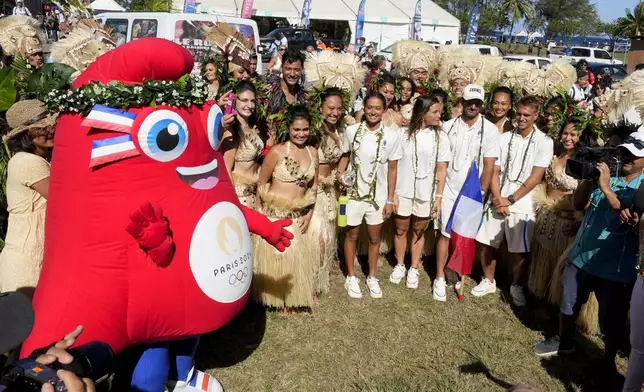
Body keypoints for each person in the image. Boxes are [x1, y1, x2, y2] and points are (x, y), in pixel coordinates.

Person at [534, 132, 644, 379]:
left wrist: (605, 188)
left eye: (634, 156)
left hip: (615, 269)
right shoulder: (609, 174)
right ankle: (564, 342)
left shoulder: (642, 188)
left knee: (611, 322)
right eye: (624, 152)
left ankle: (607, 360)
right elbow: (578, 205)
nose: (626, 158)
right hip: (581, 257)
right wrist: (587, 179)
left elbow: (631, 220)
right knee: (568, 304)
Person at [475, 96, 553, 306]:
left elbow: (536, 177)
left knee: (520, 249)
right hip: (498, 196)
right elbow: (495, 170)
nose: (521, 118)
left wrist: (510, 200)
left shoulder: (544, 141)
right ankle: (488, 280)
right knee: (485, 242)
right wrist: (498, 198)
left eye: (526, 115)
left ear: (536, 115)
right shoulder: (503, 138)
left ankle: (516, 285)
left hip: (523, 202)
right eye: (519, 113)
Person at [433, 84, 500, 301]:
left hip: (473, 192)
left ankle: (456, 270)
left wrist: (480, 192)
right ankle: (439, 277)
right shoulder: (448, 127)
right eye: (469, 102)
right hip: (450, 188)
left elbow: (489, 166)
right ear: (461, 101)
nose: (473, 106)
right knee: (445, 233)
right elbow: (442, 161)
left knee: (465, 235)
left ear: (482, 105)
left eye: (477, 103)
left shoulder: (490, 130)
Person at [253, 104, 319, 309]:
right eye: (296, 130)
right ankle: (275, 299)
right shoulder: (277, 152)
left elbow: (313, 186)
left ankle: (293, 298)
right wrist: (259, 216)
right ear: (289, 129)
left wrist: (309, 213)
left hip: (298, 215)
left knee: (296, 263)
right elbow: (261, 183)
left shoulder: (313, 152)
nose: (301, 134)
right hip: (274, 215)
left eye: (305, 129)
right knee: (277, 260)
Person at [337, 92, 403, 299]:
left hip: (378, 196)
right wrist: (340, 174)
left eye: (378, 108)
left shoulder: (393, 135)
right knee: (352, 235)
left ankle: (372, 276)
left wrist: (390, 199)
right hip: (355, 194)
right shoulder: (352, 131)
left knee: (375, 238)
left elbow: (393, 168)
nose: (373, 112)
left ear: (384, 111)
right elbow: (346, 157)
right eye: (369, 108)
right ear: (363, 108)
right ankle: (351, 276)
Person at [390, 95, 450, 289]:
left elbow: (442, 168)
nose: (439, 115)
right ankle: (400, 264)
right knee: (401, 229)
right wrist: (393, 194)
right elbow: (394, 165)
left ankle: (414, 267)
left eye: (440, 111)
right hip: (403, 190)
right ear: (422, 113)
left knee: (418, 230)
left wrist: (438, 197)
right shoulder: (402, 134)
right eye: (435, 112)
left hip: (426, 192)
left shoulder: (441, 137)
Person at [0, 100, 56, 298]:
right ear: (27, 136)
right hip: (27, 257)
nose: (50, 131)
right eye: (42, 128)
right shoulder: (26, 161)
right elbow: (59, 200)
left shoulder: (37, 160)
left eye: (51, 125)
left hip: (31, 251)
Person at [221, 81, 267, 208]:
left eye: (252, 101)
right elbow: (226, 169)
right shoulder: (231, 132)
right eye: (245, 100)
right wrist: (234, 201)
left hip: (255, 196)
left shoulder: (253, 127)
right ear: (235, 101)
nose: (249, 105)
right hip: (239, 198)